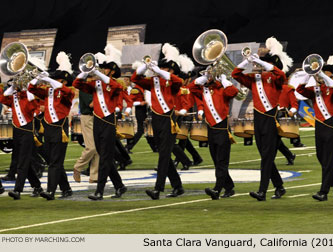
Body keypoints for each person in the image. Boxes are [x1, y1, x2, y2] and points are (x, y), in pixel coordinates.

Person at [232, 37, 291, 201]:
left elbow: (280, 73)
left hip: (270, 120)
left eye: (259, 64)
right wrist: (247, 61)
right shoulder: (252, 79)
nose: (256, 66)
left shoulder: (275, 79)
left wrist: (263, 63)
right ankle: (279, 186)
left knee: (266, 158)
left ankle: (262, 191)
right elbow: (235, 74)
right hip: (258, 120)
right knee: (265, 157)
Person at [130, 43, 184, 200]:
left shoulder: (172, 81)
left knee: (164, 155)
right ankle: (177, 186)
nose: (162, 69)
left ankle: (157, 189)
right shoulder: (153, 81)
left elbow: (179, 82)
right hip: (157, 119)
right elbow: (135, 78)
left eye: (166, 68)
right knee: (164, 154)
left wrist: (160, 71)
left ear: (171, 70)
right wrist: (145, 66)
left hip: (169, 119)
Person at [73, 45, 127, 200]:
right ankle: (120, 186)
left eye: (103, 69)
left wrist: (99, 74)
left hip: (108, 121)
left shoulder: (113, 83)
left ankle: (99, 191)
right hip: (97, 121)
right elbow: (77, 84)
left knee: (105, 157)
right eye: (100, 68)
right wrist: (85, 71)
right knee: (104, 156)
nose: (101, 70)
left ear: (109, 71)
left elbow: (116, 87)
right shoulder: (94, 84)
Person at [28, 52, 74, 200]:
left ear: (63, 81)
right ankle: (66, 188)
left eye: (56, 79)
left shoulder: (68, 92)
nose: (52, 81)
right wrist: (37, 78)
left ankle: (51, 191)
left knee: (55, 162)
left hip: (60, 129)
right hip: (48, 129)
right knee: (53, 161)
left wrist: (48, 79)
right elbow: (31, 89)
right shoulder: (48, 91)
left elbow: (65, 91)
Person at [297, 64, 333, 201]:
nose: (323, 76)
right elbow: (300, 90)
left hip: (330, 127)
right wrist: (309, 73)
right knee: (321, 158)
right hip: (319, 127)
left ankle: (323, 192)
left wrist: (324, 76)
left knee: (328, 162)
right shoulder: (315, 89)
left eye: (327, 75)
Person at [189, 72, 239, 200]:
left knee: (222, 161)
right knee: (216, 161)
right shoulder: (203, 89)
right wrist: (205, 77)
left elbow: (233, 92)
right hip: (211, 129)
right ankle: (229, 187)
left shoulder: (221, 89)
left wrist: (223, 79)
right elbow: (191, 87)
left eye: (210, 75)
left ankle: (217, 189)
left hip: (222, 129)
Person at [0, 83, 43, 199]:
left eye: (18, 89)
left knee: (22, 163)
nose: (17, 91)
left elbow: (33, 107)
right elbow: (3, 98)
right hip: (17, 132)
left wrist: (26, 90)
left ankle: (17, 190)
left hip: (27, 132)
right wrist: (12, 87)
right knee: (24, 162)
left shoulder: (28, 99)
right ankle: (37, 186)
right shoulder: (14, 98)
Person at [73, 88, 99, 183]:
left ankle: (94, 176)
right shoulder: (85, 89)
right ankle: (78, 167)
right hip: (88, 118)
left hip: (97, 117)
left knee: (97, 147)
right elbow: (91, 104)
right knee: (91, 147)